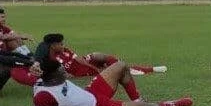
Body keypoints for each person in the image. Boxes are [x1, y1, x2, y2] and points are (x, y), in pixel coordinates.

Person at [32, 58, 191, 106]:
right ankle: (173, 104)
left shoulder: (46, 78)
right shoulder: (43, 94)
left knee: (120, 65)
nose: (64, 70)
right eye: (61, 70)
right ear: (52, 76)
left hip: (91, 92)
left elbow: (39, 65)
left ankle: (136, 99)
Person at [34, 33, 166, 78]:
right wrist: (95, 70)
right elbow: (63, 74)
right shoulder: (50, 59)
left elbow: (79, 59)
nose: (63, 46)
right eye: (60, 44)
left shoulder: (65, 50)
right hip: (80, 71)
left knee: (98, 55)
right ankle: (150, 69)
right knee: (115, 70)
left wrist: (93, 66)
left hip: (84, 63)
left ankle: (125, 67)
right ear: (53, 45)